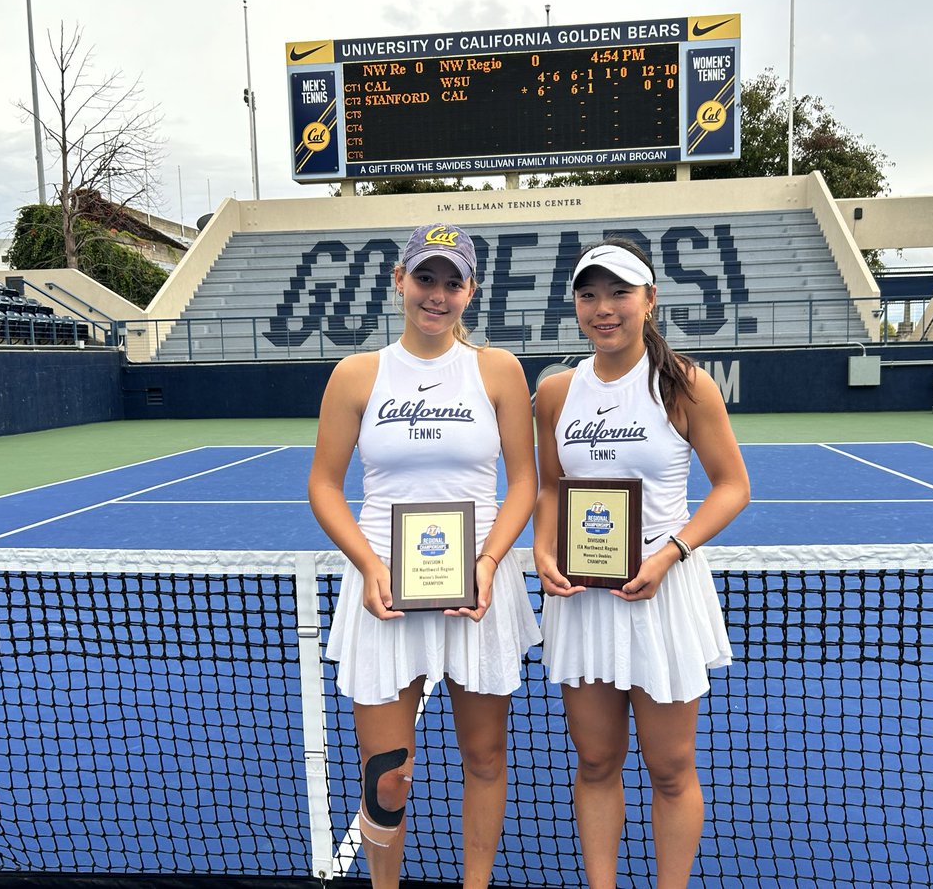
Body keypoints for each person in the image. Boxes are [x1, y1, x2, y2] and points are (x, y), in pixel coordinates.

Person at [309, 223, 539, 889]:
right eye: (425, 278)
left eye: (452, 281)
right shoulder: (358, 374)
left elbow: (524, 482)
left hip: (479, 587)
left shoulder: (497, 370)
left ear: (470, 290)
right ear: (399, 281)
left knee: (486, 757)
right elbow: (323, 485)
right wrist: (369, 565)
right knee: (386, 773)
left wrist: (491, 561)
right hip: (382, 587)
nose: (436, 295)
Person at [532, 238, 751, 888]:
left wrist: (668, 555)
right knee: (596, 761)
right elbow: (550, 487)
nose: (604, 308)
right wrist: (544, 548)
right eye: (589, 294)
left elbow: (733, 485)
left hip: (664, 594)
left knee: (670, 767)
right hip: (583, 598)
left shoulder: (683, 383)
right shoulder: (553, 392)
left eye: (619, 292)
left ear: (649, 300)